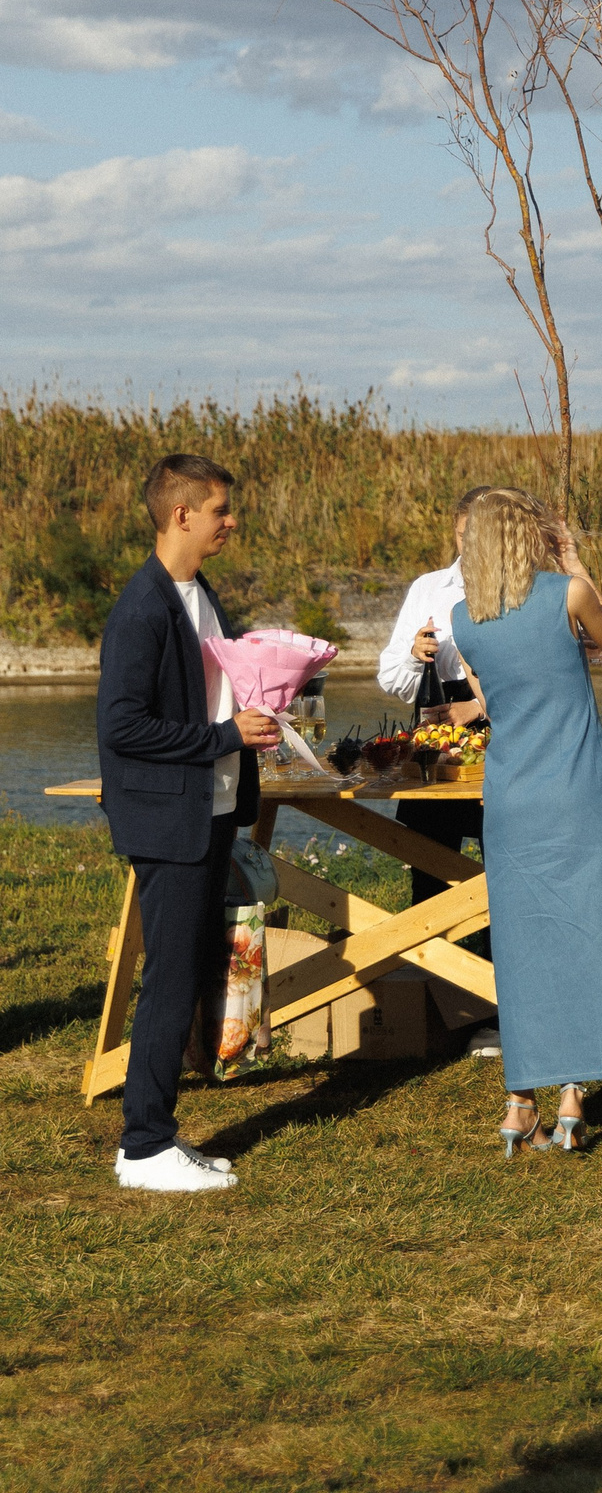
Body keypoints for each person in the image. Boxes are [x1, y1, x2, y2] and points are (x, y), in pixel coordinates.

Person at [445, 488, 602, 1155]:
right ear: (531, 536)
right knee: (588, 932)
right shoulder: (566, 596)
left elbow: (491, 696)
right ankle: (573, 1095)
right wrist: (578, 566)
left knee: (524, 943)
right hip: (575, 788)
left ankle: (522, 1101)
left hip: (512, 795)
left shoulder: (462, 619)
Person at [95, 454, 285, 1192]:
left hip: (207, 813)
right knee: (170, 979)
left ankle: (160, 1135)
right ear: (181, 515)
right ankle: (143, 1146)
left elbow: (207, 695)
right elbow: (122, 727)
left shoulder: (197, 593)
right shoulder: (141, 609)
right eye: (220, 511)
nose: (231, 523)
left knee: (188, 971)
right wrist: (226, 737)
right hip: (166, 822)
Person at [375, 487, 499, 1056]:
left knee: (503, 861)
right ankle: (441, 998)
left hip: (500, 732)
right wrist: (416, 657)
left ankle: (498, 1007)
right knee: (427, 857)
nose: (467, 544)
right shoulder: (429, 588)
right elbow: (391, 677)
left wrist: (480, 705)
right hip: (435, 734)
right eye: (460, 534)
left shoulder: (518, 586)